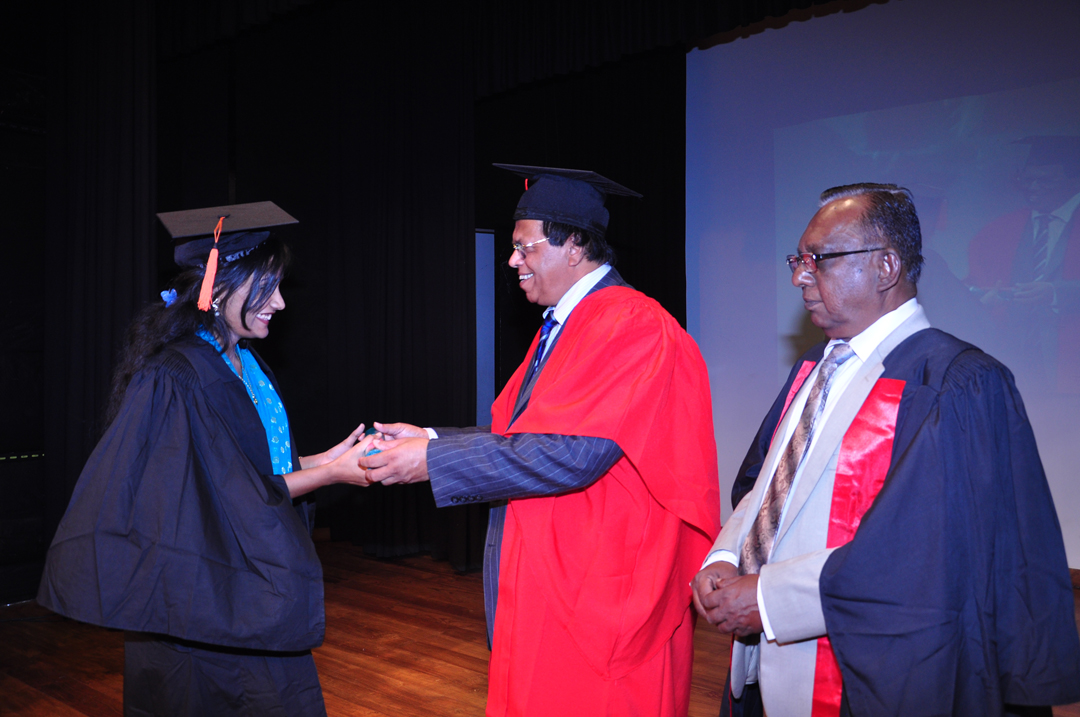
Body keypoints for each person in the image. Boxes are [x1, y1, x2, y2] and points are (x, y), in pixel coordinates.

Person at [693, 183, 1080, 717]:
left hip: (876, 675)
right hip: (768, 667)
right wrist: (726, 554)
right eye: (798, 260)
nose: (799, 276)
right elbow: (765, 487)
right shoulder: (814, 367)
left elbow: (923, 557)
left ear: (886, 267)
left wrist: (768, 598)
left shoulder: (957, 384)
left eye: (818, 259)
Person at [361, 165, 721, 716]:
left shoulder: (632, 324)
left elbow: (574, 454)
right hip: (555, 571)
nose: (512, 261)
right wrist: (432, 436)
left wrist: (432, 459)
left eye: (523, 247)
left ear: (573, 246)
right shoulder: (570, 322)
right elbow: (529, 433)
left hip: (598, 586)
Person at [38, 201, 375, 716]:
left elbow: (254, 471)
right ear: (218, 289)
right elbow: (227, 497)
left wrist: (324, 461)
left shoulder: (245, 361)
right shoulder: (176, 375)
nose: (280, 302)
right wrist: (331, 474)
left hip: (246, 586)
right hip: (200, 600)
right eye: (268, 287)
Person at [966, 136, 1080, 393]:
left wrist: (1055, 293)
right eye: (1027, 180)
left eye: (1046, 180)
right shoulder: (1000, 229)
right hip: (1013, 355)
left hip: (1071, 356)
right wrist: (981, 295)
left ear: (1074, 180)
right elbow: (974, 281)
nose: (1033, 188)